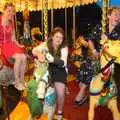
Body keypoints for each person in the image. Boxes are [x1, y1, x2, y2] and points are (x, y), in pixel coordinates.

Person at [32, 27, 68, 120]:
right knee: (37, 85)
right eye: (57, 37)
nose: (59, 39)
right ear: (52, 36)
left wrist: (51, 58)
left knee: (60, 92)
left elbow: (63, 63)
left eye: (61, 37)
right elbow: (34, 50)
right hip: (48, 68)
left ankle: (60, 112)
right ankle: (38, 108)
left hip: (59, 70)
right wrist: (39, 54)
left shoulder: (64, 47)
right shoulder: (46, 44)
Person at [88, 7, 120, 110]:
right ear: (108, 16)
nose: (118, 17)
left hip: (114, 61)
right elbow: (90, 40)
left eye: (119, 15)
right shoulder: (100, 27)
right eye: (116, 14)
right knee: (87, 71)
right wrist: (94, 50)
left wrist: (108, 42)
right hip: (99, 59)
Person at [0, 2, 27, 91]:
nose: (11, 13)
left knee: (23, 57)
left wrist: (19, 45)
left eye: (13, 11)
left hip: (11, 44)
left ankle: (22, 81)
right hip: (3, 45)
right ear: (4, 10)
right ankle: (16, 82)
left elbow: (13, 38)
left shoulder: (11, 22)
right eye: (9, 11)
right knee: (19, 57)